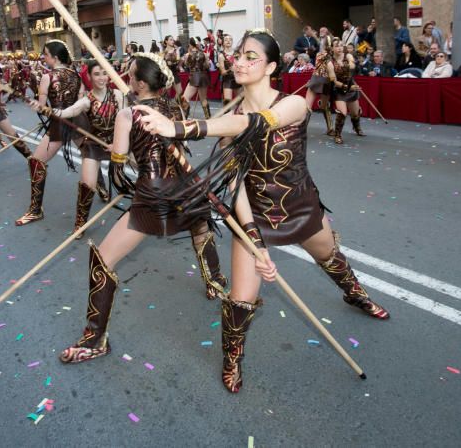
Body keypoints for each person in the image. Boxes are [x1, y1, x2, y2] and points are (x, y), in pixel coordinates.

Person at [135, 29, 390, 394]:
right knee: (240, 300)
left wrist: (178, 128)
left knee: (332, 258)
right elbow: (236, 184)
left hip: (302, 206)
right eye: (238, 54)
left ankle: (354, 293)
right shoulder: (228, 121)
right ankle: (232, 358)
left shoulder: (294, 105)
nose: (239, 61)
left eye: (250, 56)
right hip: (255, 213)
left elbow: (254, 124)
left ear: (271, 66)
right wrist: (255, 240)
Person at [57, 54, 223, 364]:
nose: (123, 76)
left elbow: (118, 173)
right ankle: (216, 283)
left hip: (155, 192)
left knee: (102, 259)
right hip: (187, 185)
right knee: (199, 227)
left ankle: (95, 340)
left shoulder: (127, 115)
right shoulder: (173, 108)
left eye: (129, 74)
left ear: (140, 83)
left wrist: (123, 157)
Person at [35, 60, 126, 235]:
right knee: (87, 184)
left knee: (145, 169)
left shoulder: (118, 95)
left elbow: (126, 122)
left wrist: (117, 143)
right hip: (94, 146)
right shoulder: (86, 101)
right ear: (89, 77)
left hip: (117, 143)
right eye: (97, 74)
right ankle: (80, 224)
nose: (102, 78)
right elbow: (65, 112)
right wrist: (46, 110)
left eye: (104, 73)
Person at [16, 40, 84, 225]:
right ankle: (101, 188)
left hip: (60, 125)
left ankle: (35, 210)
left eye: (45, 54)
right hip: (77, 122)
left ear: (54, 57)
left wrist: (36, 105)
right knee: (89, 155)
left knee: (36, 162)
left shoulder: (48, 77)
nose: (43, 58)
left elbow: (42, 108)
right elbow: (80, 104)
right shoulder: (76, 75)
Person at [327, 39, 364, 143]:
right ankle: (337, 135)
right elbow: (334, 82)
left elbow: (353, 67)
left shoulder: (348, 56)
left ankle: (356, 127)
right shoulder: (330, 63)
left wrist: (350, 64)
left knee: (355, 114)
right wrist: (347, 87)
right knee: (342, 113)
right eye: (336, 46)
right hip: (339, 89)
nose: (339, 48)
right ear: (332, 48)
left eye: (341, 45)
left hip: (351, 87)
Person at [304, 46, 334, 135]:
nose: (338, 48)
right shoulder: (321, 54)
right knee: (307, 107)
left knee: (324, 106)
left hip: (327, 82)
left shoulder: (340, 58)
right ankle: (302, 129)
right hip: (316, 79)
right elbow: (321, 64)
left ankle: (330, 128)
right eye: (335, 46)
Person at [181, 38, 211, 117]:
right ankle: (209, 118)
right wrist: (207, 58)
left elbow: (186, 66)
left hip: (194, 77)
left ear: (190, 44)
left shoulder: (188, 55)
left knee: (185, 99)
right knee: (203, 100)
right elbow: (207, 66)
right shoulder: (204, 54)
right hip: (203, 76)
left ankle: (184, 118)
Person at [217, 33, 240, 107]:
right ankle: (227, 117)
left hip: (238, 79)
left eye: (230, 39)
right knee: (227, 103)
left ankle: (239, 117)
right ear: (223, 42)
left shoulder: (237, 54)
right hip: (228, 80)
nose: (228, 41)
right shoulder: (221, 56)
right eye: (226, 40)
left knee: (240, 102)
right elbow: (223, 72)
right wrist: (230, 69)